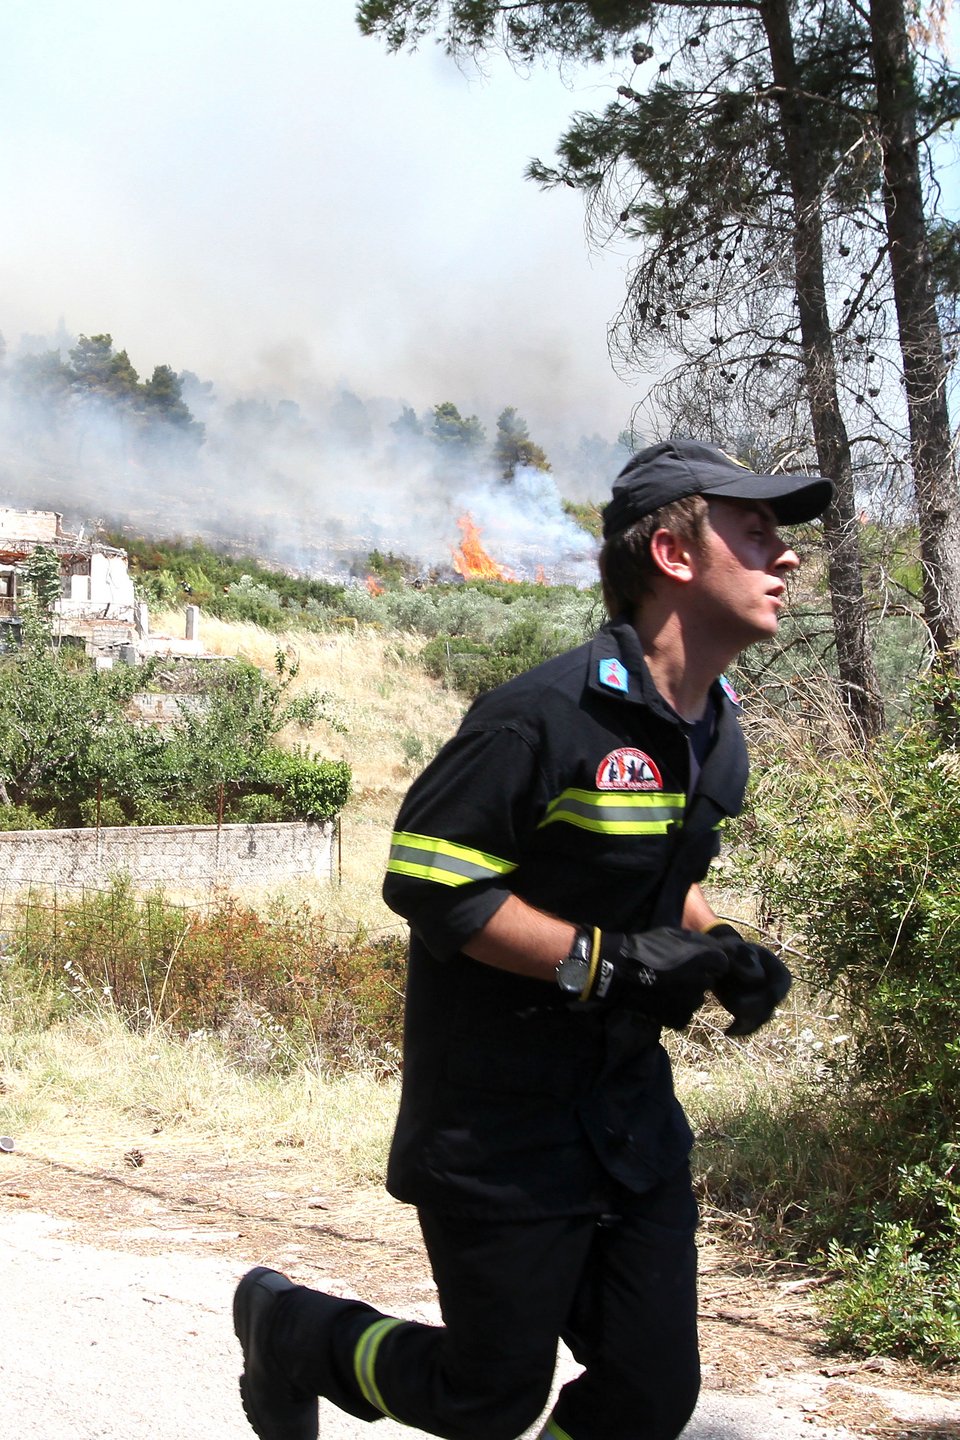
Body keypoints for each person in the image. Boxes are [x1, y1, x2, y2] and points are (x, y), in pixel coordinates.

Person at [233, 439, 834, 1440]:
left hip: (629, 1119)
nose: (790, 556)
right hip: (498, 1125)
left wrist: (722, 947)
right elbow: (432, 884)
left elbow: (661, 878)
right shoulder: (543, 717)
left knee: (647, 1394)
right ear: (677, 557)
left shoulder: (714, 728)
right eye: (757, 530)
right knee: (490, 1395)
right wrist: (611, 963)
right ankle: (289, 1329)